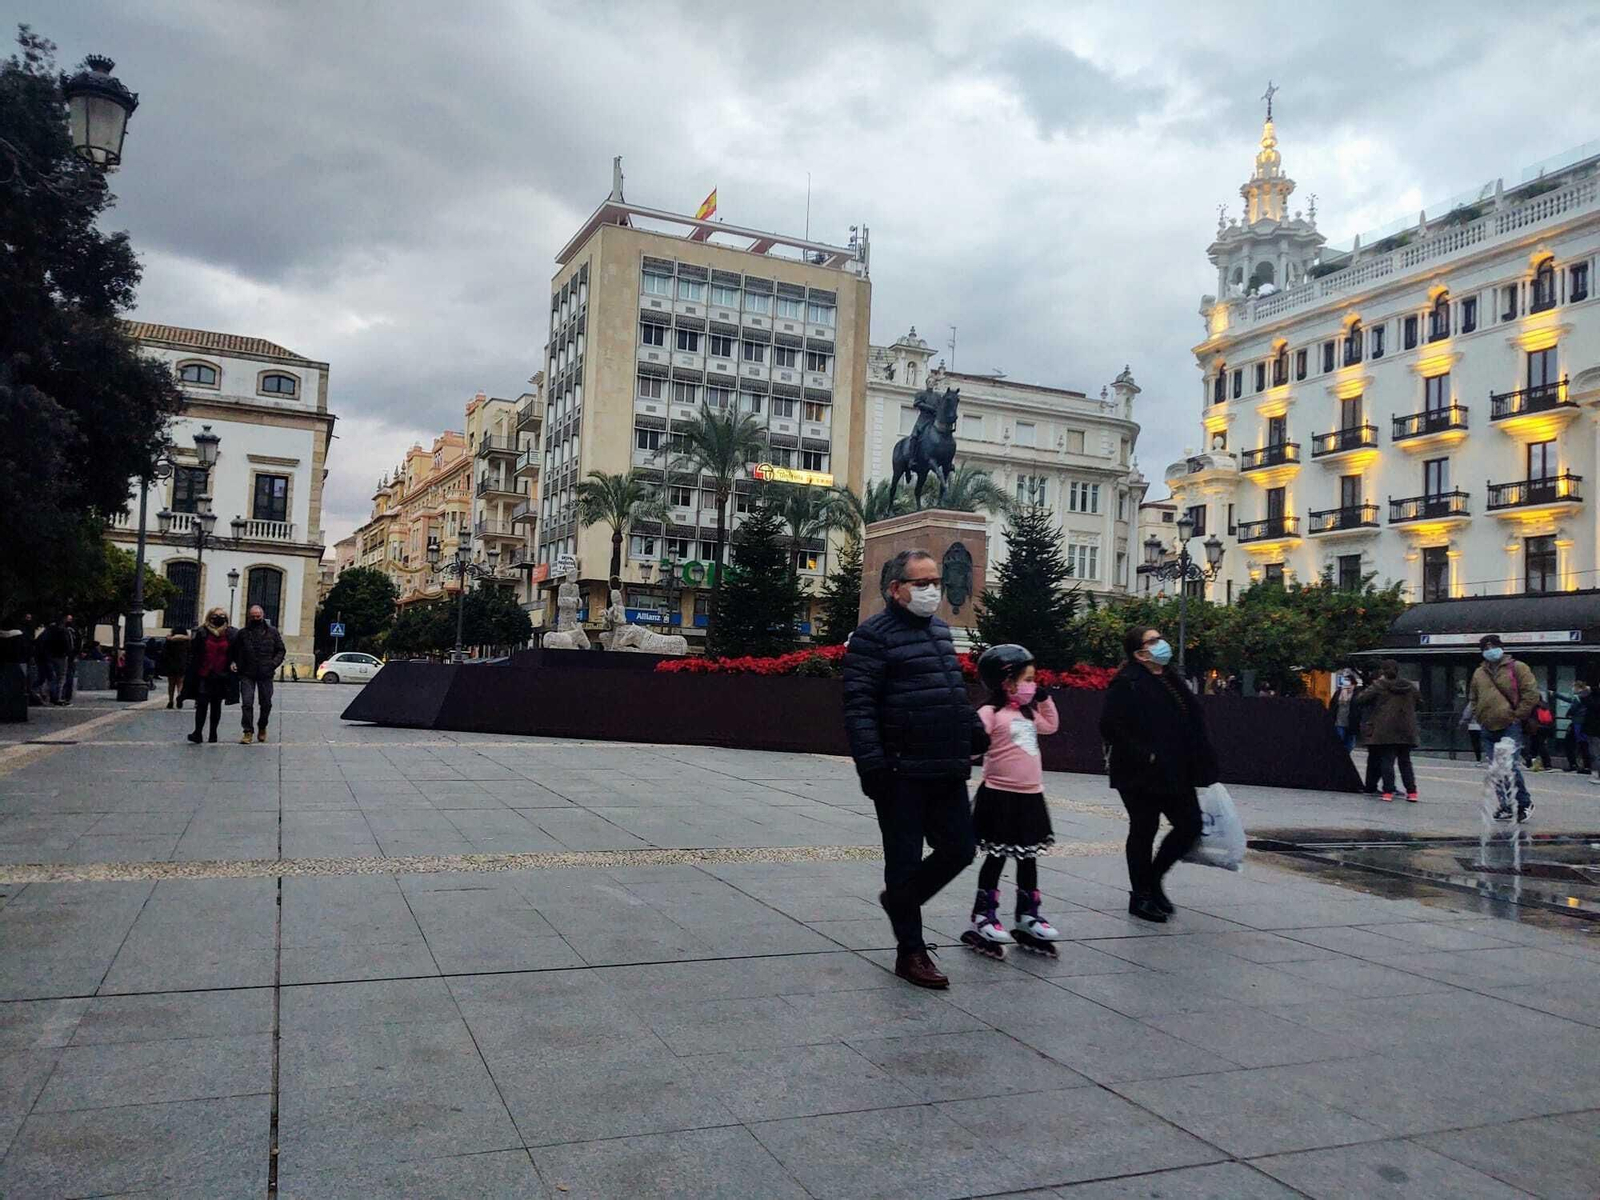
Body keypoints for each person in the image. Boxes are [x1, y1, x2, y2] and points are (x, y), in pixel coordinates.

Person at [843, 548, 987, 990]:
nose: (931, 591)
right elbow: (859, 706)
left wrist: (974, 734)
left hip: (946, 766)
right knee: (903, 862)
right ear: (896, 589)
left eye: (936, 582)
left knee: (961, 849)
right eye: (921, 583)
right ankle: (911, 953)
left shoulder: (941, 632)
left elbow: (951, 692)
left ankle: (900, 902)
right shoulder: (872, 636)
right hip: (899, 771)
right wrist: (872, 767)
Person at [1099, 625, 1219, 923]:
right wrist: (1145, 754)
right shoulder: (1127, 682)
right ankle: (1140, 895)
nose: (1161, 644)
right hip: (1140, 772)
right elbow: (1110, 725)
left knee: (1189, 825)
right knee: (1144, 829)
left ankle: (1153, 880)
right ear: (1140, 653)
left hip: (1177, 769)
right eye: (1153, 641)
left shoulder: (1170, 679)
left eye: (1159, 638)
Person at [964, 644, 1061, 960]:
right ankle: (984, 914)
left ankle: (1028, 914)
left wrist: (1044, 697)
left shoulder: (1030, 714)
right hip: (999, 796)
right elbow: (974, 746)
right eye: (1028, 679)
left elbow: (1052, 724)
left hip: (1030, 796)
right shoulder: (990, 713)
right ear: (1005, 682)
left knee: (1028, 857)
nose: (1034, 685)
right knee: (996, 857)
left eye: (1035, 680)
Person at [1468, 634, 1537, 822]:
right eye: (1486, 648)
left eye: (1493, 647)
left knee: (1510, 766)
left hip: (1509, 724)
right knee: (1495, 768)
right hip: (1487, 725)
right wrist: (1478, 713)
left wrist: (1518, 714)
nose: (1490, 651)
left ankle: (1523, 803)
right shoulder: (1479, 673)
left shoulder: (1518, 668)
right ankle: (1506, 804)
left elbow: (1531, 694)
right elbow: (1473, 696)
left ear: (1501, 648)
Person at [1357, 661, 1420, 802]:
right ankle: (1412, 792)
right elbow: (1420, 702)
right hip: (1406, 728)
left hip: (1385, 729)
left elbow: (1361, 699)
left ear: (1383, 671)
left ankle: (1388, 792)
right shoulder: (1410, 686)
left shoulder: (1379, 685)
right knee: (1405, 761)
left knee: (1387, 760)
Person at [180, 607, 239, 744]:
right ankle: (198, 733)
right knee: (201, 704)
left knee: (216, 705)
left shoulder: (231, 633)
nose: (219, 618)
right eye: (216, 615)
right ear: (209, 617)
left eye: (222, 615)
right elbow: (193, 652)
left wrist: (234, 663)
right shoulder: (202, 632)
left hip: (221, 674)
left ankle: (213, 733)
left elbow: (236, 652)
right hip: (204, 673)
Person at [235, 604, 285, 743]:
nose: (256, 618)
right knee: (247, 702)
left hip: (266, 673)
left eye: (258, 616)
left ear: (262, 615)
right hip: (247, 673)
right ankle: (248, 731)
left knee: (266, 703)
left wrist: (273, 664)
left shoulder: (272, 632)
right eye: (253, 616)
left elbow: (281, 650)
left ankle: (262, 726)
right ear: (249, 617)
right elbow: (236, 651)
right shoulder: (243, 633)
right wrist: (236, 664)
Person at [1556, 684, 1591, 773]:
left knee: (1572, 743)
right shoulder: (1588, 699)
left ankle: (1574, 764)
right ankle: (1586, 766)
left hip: (1577, 723)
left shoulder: (1578, 698)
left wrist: (1568, 714)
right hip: (1585, 723)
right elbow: (1569, 700)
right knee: (1584, 744)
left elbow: (1573, 707)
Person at [159, 627, 191, 709]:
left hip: (171, 664)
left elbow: (164, 653)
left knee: (171, 684)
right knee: (180, 683)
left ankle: (170, 701)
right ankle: (179, 697)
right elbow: (190, 654)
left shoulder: (169, 641)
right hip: (182, 664)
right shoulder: (187, 641)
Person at [1328, 670, 1360, 751]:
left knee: (1350, 744)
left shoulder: (1357, 694)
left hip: (1351, 723)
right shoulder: (1338, 693)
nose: (1349, 686)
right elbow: (1332, 705)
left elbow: (1359, 707)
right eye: (1346, 684)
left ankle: (1346, 758)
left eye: (1351, 684)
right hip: (1339, 721)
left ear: (1354, 685)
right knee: (1338, 742)